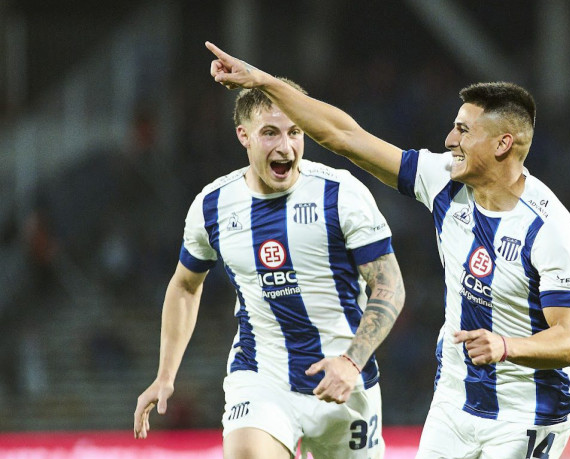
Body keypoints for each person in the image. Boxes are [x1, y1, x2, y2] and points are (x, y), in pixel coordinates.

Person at [206, 41, 570, 459]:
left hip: (526, 412)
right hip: (454, 400)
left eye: (463, 130)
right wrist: (262, 81)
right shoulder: (445, 180)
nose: (449, 140)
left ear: (502, 144)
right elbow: (345, 136)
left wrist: (506, 346)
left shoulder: (548, 226)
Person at [133, 82, 406, 459]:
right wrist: (165, 374)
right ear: (243, 136)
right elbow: (185, 285)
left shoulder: (340, 193)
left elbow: (389, 284)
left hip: (345, 382)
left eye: (295, 132)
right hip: (263, 377)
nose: (285, 147)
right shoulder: (213, 206)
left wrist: (351, 360)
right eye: (270, 133)